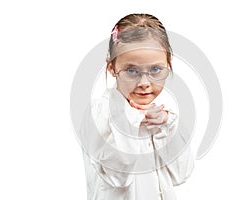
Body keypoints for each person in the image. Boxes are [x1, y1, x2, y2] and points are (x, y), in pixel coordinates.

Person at [80, 13, 194, 200]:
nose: (144, 82)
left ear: (168, 65)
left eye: (155, 69)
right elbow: (118, 177)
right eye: (132, 70)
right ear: (112, 68)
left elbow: (181, 174)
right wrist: (132, 121)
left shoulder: (161, 117)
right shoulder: (99, 113)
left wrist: (166, 126)